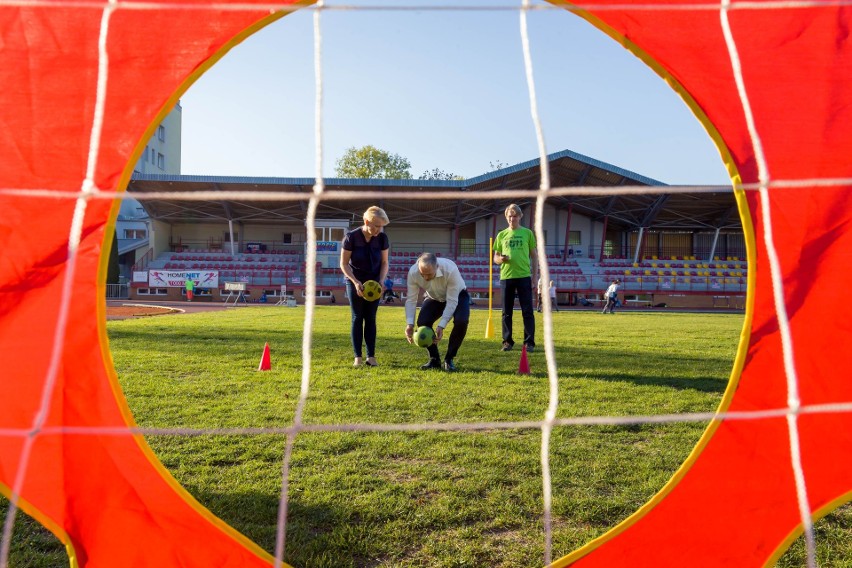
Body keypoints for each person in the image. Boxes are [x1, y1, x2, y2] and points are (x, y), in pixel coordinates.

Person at [340, 206, 390, 367]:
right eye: (376, 226)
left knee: (371, 318)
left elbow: (384, 262)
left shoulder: (382, 238)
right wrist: (355, 282)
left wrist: (381, 280)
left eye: (381, 226)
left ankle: (371, 356)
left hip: (375, 283)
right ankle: (358, 358)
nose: (378, 230)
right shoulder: (351, 237)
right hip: (355, 281)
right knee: (357, 317)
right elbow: (344, 264)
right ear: (366, 221)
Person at [404, 253, 470, 372]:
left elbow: (452, 301)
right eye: (422, 274)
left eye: (429, 274)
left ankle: (449, 359)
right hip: (434, 297)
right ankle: (434, 359)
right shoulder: (413, 272)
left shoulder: (450, 270)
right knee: (423, 322)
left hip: (458, 295)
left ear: (437, 267)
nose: (425, 278)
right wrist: (409, 324)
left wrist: (441, 325)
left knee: (461, 321)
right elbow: (411, 299)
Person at [492, 203, 537, 352]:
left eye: (515, 216)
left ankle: (529, 342)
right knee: (506, 312)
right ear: (506, 217)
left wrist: (535, 276)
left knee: (527, 311)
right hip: (506, 277)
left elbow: (534, 256)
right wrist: (501, 260)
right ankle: (507, 341)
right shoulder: (501, 235)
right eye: (510, 216)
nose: (512, 219)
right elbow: (495, 258)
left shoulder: (527, 233)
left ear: (520, 216)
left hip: (524, 275)